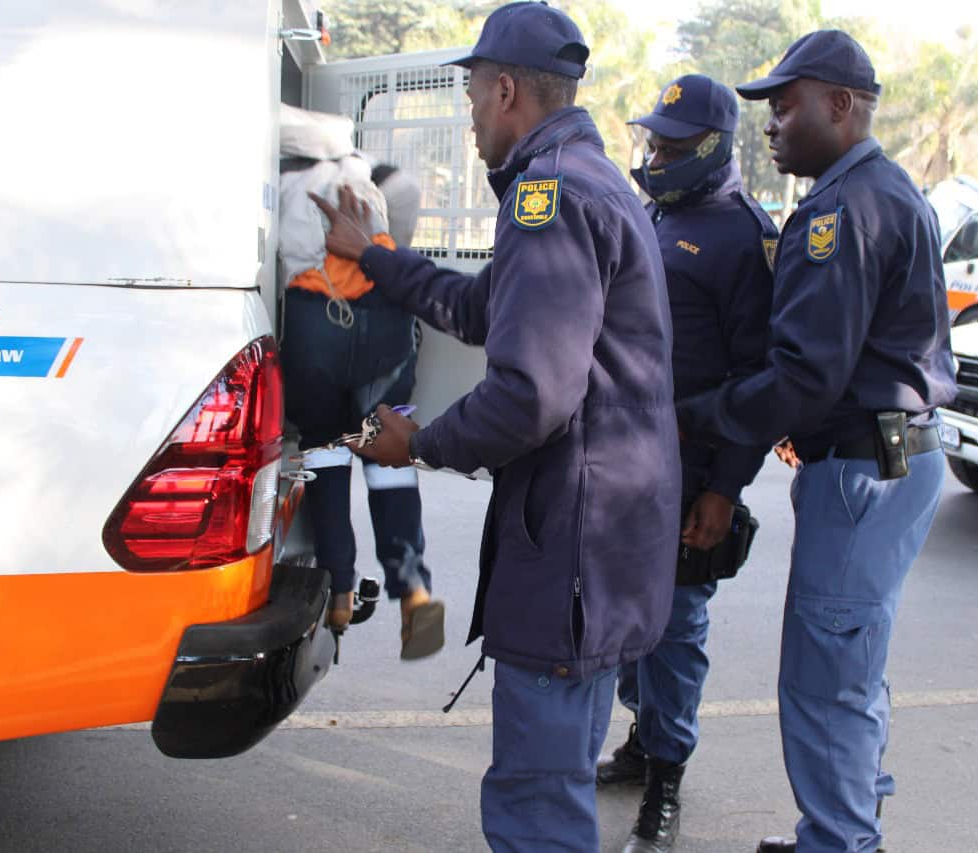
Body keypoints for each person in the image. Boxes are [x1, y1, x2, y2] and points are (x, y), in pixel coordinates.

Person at [313, 3, 682, 850]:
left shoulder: (550, 197)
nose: (471, 113)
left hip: (575, 552)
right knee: (553, 782)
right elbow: (484, 308)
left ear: (507, 90)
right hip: (603, 542)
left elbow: (529, 396)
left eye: (474, 94)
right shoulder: (590, 180)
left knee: (536, 806)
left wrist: (419, 443)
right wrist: (377, 257)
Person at [674, 31, 957, 853]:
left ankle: (839, 841)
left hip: (863, 468)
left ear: (840, 105)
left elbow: (804, 376)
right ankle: (846, 826)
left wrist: (693, 414)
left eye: (785, 105)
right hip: (893, 457)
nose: (770, 124)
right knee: (852, 665)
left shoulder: (842, 210)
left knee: (825, 678)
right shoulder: (886, 190)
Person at [599, 74, 777, 853]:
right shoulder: (656, 213)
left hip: (691, 470)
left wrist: (725, 486)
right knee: (624, 623)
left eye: (674, 146)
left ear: (713, 146)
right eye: (656, 142)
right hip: (621, 463)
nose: (658, 156)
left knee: (674, 630)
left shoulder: (744, 236)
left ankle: (664, 782)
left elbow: (758, 378)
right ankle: (643, 740)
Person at [276, 106, 443, 660]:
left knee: (326, 456)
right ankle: (414, 593)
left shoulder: (278, 178)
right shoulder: (366, 169)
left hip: (315, 326)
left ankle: (339, 595)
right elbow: (408, 196)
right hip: (384, 326)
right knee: (389, 461)